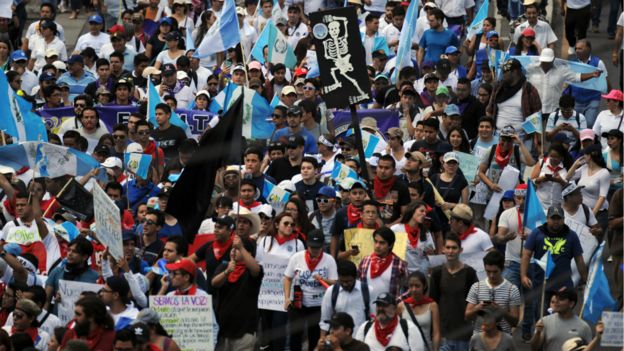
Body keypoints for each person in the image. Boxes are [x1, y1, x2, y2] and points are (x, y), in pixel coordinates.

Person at [521, 205, 587, 332]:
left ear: (563, 219)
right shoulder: (537, 233)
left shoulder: (571, 235)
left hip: (563, 286)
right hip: (542, 284)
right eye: (553, 218)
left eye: (559, 219)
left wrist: (586, 279)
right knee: (542, 319)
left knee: (563, 318)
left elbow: (579, 259)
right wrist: (523, 275)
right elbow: (526, 255)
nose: (556, 221)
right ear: (547, 219)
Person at [256, 212, 305, 351]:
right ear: (277, 224)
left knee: (279, 329)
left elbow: (300, 267)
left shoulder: (298, 244)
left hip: (284, 295)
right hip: (266, 293)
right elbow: (259, 264)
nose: (289, 226)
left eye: (292, 224)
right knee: (266, 330)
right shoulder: (265, 241)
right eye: (286, 223)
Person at [284, 230, 338, 351]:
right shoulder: (297, 257)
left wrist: (323, 279)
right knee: (295, 336)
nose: (314, 250)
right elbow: (287, 278)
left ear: (323, 245)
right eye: (312, 247)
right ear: (307, 245)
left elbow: (335, 282)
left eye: (317, 247)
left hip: (318, 304)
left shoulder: (329, 260)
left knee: (314, 337)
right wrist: (287, 298)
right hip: (298, 303)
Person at [212, 233, 262, 351]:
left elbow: (256, 270)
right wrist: (227, 272)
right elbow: (214, 283)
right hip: (223, 328)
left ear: (248, 253)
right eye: (232, 249)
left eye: (238, 249)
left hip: (244, 330)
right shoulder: (224, 267)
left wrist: (241, 247)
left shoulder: (252, 270)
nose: (233, 251)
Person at [429, 234, 478, 350]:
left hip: (463, 334)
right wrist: (434, 331)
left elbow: (475, 303)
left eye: (454, 248)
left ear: (460, 250)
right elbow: (433, 303)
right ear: (443, 249)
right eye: (448, 247)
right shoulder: (437, 273)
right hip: (443, 333)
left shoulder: (470, 273)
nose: (450, 251)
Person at [526, 48, 602, 115]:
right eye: (544, 61)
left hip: (553, 111)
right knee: (535, 131)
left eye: (548, 61)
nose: (546, 63)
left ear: (553, 59)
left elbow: (576, 77)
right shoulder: (530, 69)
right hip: (534, 110)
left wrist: (592, 74)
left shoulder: (562, 70)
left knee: (551, 131)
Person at [465, 250, 521, 334]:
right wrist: (477, 308)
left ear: (502, 269)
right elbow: (467, 317)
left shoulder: (512, 290)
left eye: (495, 272)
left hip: (503, 339)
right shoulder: (476, 287)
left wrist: (501, 311)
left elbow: (514, 322)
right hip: (480, 339)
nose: (491, 275)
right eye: (488, 271)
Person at [354, 292, 426, 351]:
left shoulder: (409, 328)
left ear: (394, 308)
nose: (380, 308)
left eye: (385, 305)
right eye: (378, 305)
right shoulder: (365, 327)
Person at [486, 59, 542, 131]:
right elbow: (489, 110)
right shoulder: (498, 88)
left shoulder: (529, 89)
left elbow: (537, 114)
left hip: (521, 137)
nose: (503, 74)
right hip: (499, 135)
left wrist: (529, 132)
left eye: (505, 71)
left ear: (514, 72)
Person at [319, 260, 370, 339]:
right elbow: (325, 320)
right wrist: (322, 339)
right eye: (342, 281)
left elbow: (373, 318)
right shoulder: (331, 292)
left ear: (355, 277)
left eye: (348, 281)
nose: (345, 284)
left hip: (361, 340)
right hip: (338, 341)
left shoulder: (368, 291)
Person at [566, 144, 611, 232]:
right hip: (584, 211)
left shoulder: (604, 173)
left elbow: (602, 197)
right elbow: (568, 177)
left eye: (584, 155)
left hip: (598, 213)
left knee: (594, 240)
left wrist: (592, 215)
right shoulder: (584, 168)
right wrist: (575, 164)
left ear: (590, 156)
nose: (582, 157)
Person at [358, 227, 408, 302]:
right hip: (366, 309)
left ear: (390, 245)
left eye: (382, 243)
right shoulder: (365, 261)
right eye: (375, 241)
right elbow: (357, 284)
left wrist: (397, 302)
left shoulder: (399, 265)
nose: (377, 246)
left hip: (389, 311)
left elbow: (409, 288)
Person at [397, 271, 441, 351]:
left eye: (417, 286)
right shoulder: (401, 306)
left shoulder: (432, 305)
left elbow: (436, 333)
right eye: (411, 286)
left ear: (424, 286)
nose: (414, 289)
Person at [391, 201, 436, 274]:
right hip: (400, 273)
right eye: (421, 211)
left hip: (420, 274)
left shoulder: (426, 233)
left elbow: (430, 257)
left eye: (425, 212)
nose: (424, 214)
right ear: (412, 210)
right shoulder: (397, 229)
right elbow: (392, 253)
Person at [531, 143, 572, 208]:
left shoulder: (567, 166)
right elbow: (531, 182)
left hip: (557, 207)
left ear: (561, 157)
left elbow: (570, 189)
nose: (553, 159)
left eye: (556, 157)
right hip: (540, 205)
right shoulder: (541, 163)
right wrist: (541, 179)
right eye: (551, 156)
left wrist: (560, 181)